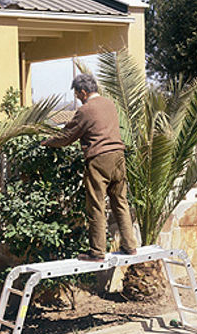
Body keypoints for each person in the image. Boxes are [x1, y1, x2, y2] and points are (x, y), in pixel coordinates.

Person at [41, 73, 137, 262]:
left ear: (83, 92)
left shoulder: (86, 110)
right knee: (120, 201)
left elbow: (67, 137)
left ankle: (97, 252)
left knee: (96, 205)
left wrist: (46, 142)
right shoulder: (110, 104)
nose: (77, 98)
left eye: (77, 94)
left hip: (99, 159)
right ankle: (130, 246)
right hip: (118, 157)